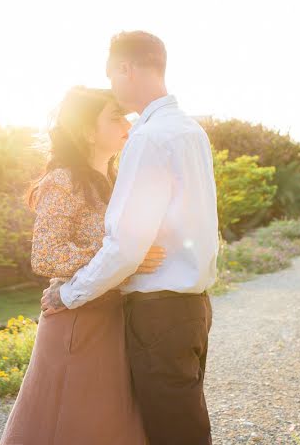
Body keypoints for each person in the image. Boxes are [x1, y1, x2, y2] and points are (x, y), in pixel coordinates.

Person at [41, 30, 219, 445]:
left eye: (112, 75)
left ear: (125, 68)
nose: (114, 90)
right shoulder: (191, 131)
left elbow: (125, 246)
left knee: (173, 432)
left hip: (158, 311)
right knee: (186, 423)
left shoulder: (149, 138)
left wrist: (68, 295)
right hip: (194, 307)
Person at [0, 86, 165, 445]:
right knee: (75, 425)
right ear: (88, 131)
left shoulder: (119, 180)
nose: (127, 123)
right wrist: (123, 256)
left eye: (126, 116)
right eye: (115, 116)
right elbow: (45, 254)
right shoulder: (63, 181)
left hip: (118, 317)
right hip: (77, 321)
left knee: (114, 422)